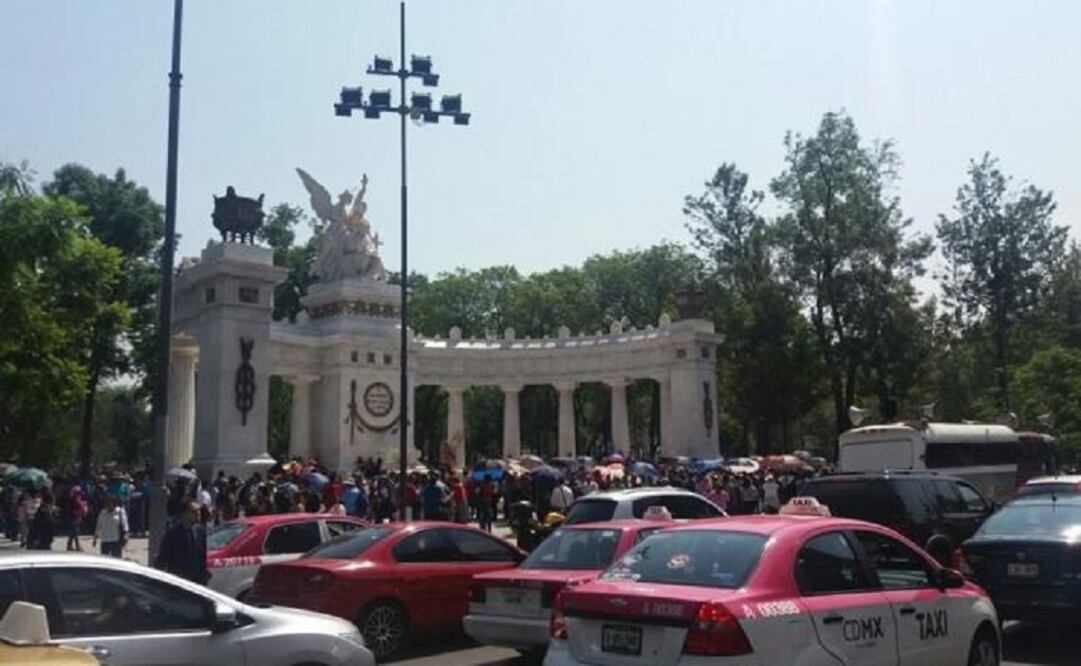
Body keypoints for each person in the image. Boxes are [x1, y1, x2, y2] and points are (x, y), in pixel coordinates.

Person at [155, 502, 208, 584]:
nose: (198, 514)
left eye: (199, 511)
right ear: (185, 514)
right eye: (194, 512)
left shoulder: (201, 532)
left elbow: (202, 557)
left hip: (197, 581)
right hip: (179, 580)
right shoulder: (173, 534)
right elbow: (162, 558)